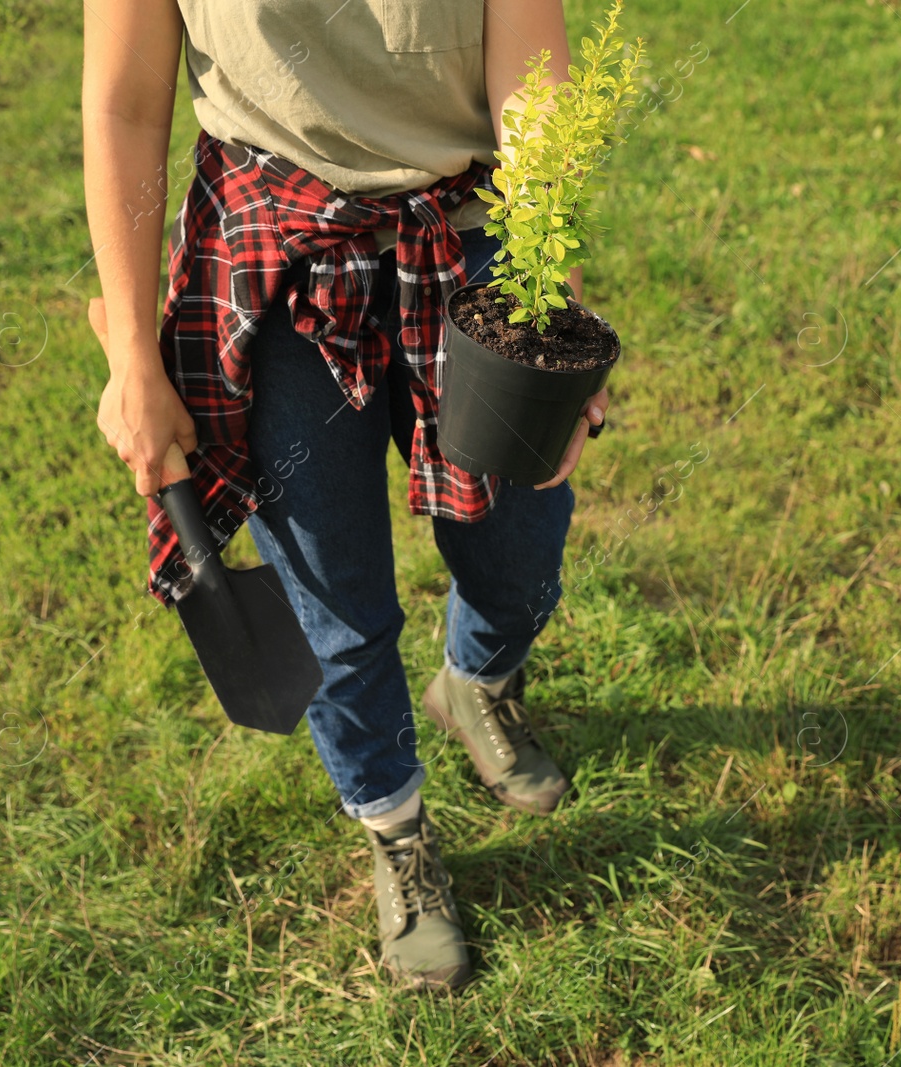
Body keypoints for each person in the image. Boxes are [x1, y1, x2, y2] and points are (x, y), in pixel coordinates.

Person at [81, 0, 609, 992]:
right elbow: (123, 103)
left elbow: (533, 89)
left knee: (520, 550)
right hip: (274, 250)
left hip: (473, 239)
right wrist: (132, 360)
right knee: (336, 603)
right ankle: (394, 827)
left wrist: (554, 290)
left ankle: (476, 680)